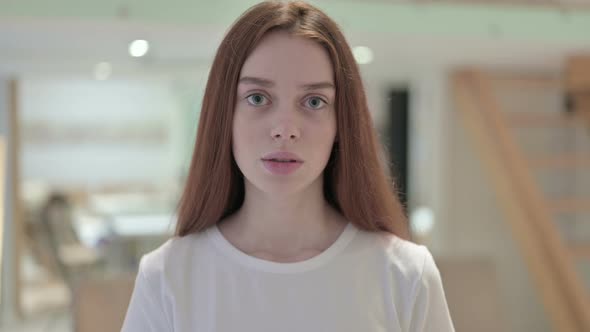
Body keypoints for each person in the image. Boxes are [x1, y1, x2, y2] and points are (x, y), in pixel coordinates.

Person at [122, 1, 454, 331]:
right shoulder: (167, 277)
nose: (285, 128)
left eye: (314, 101)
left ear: (342, 124)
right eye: (257, 98)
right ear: (224, 116)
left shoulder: (405, 276)